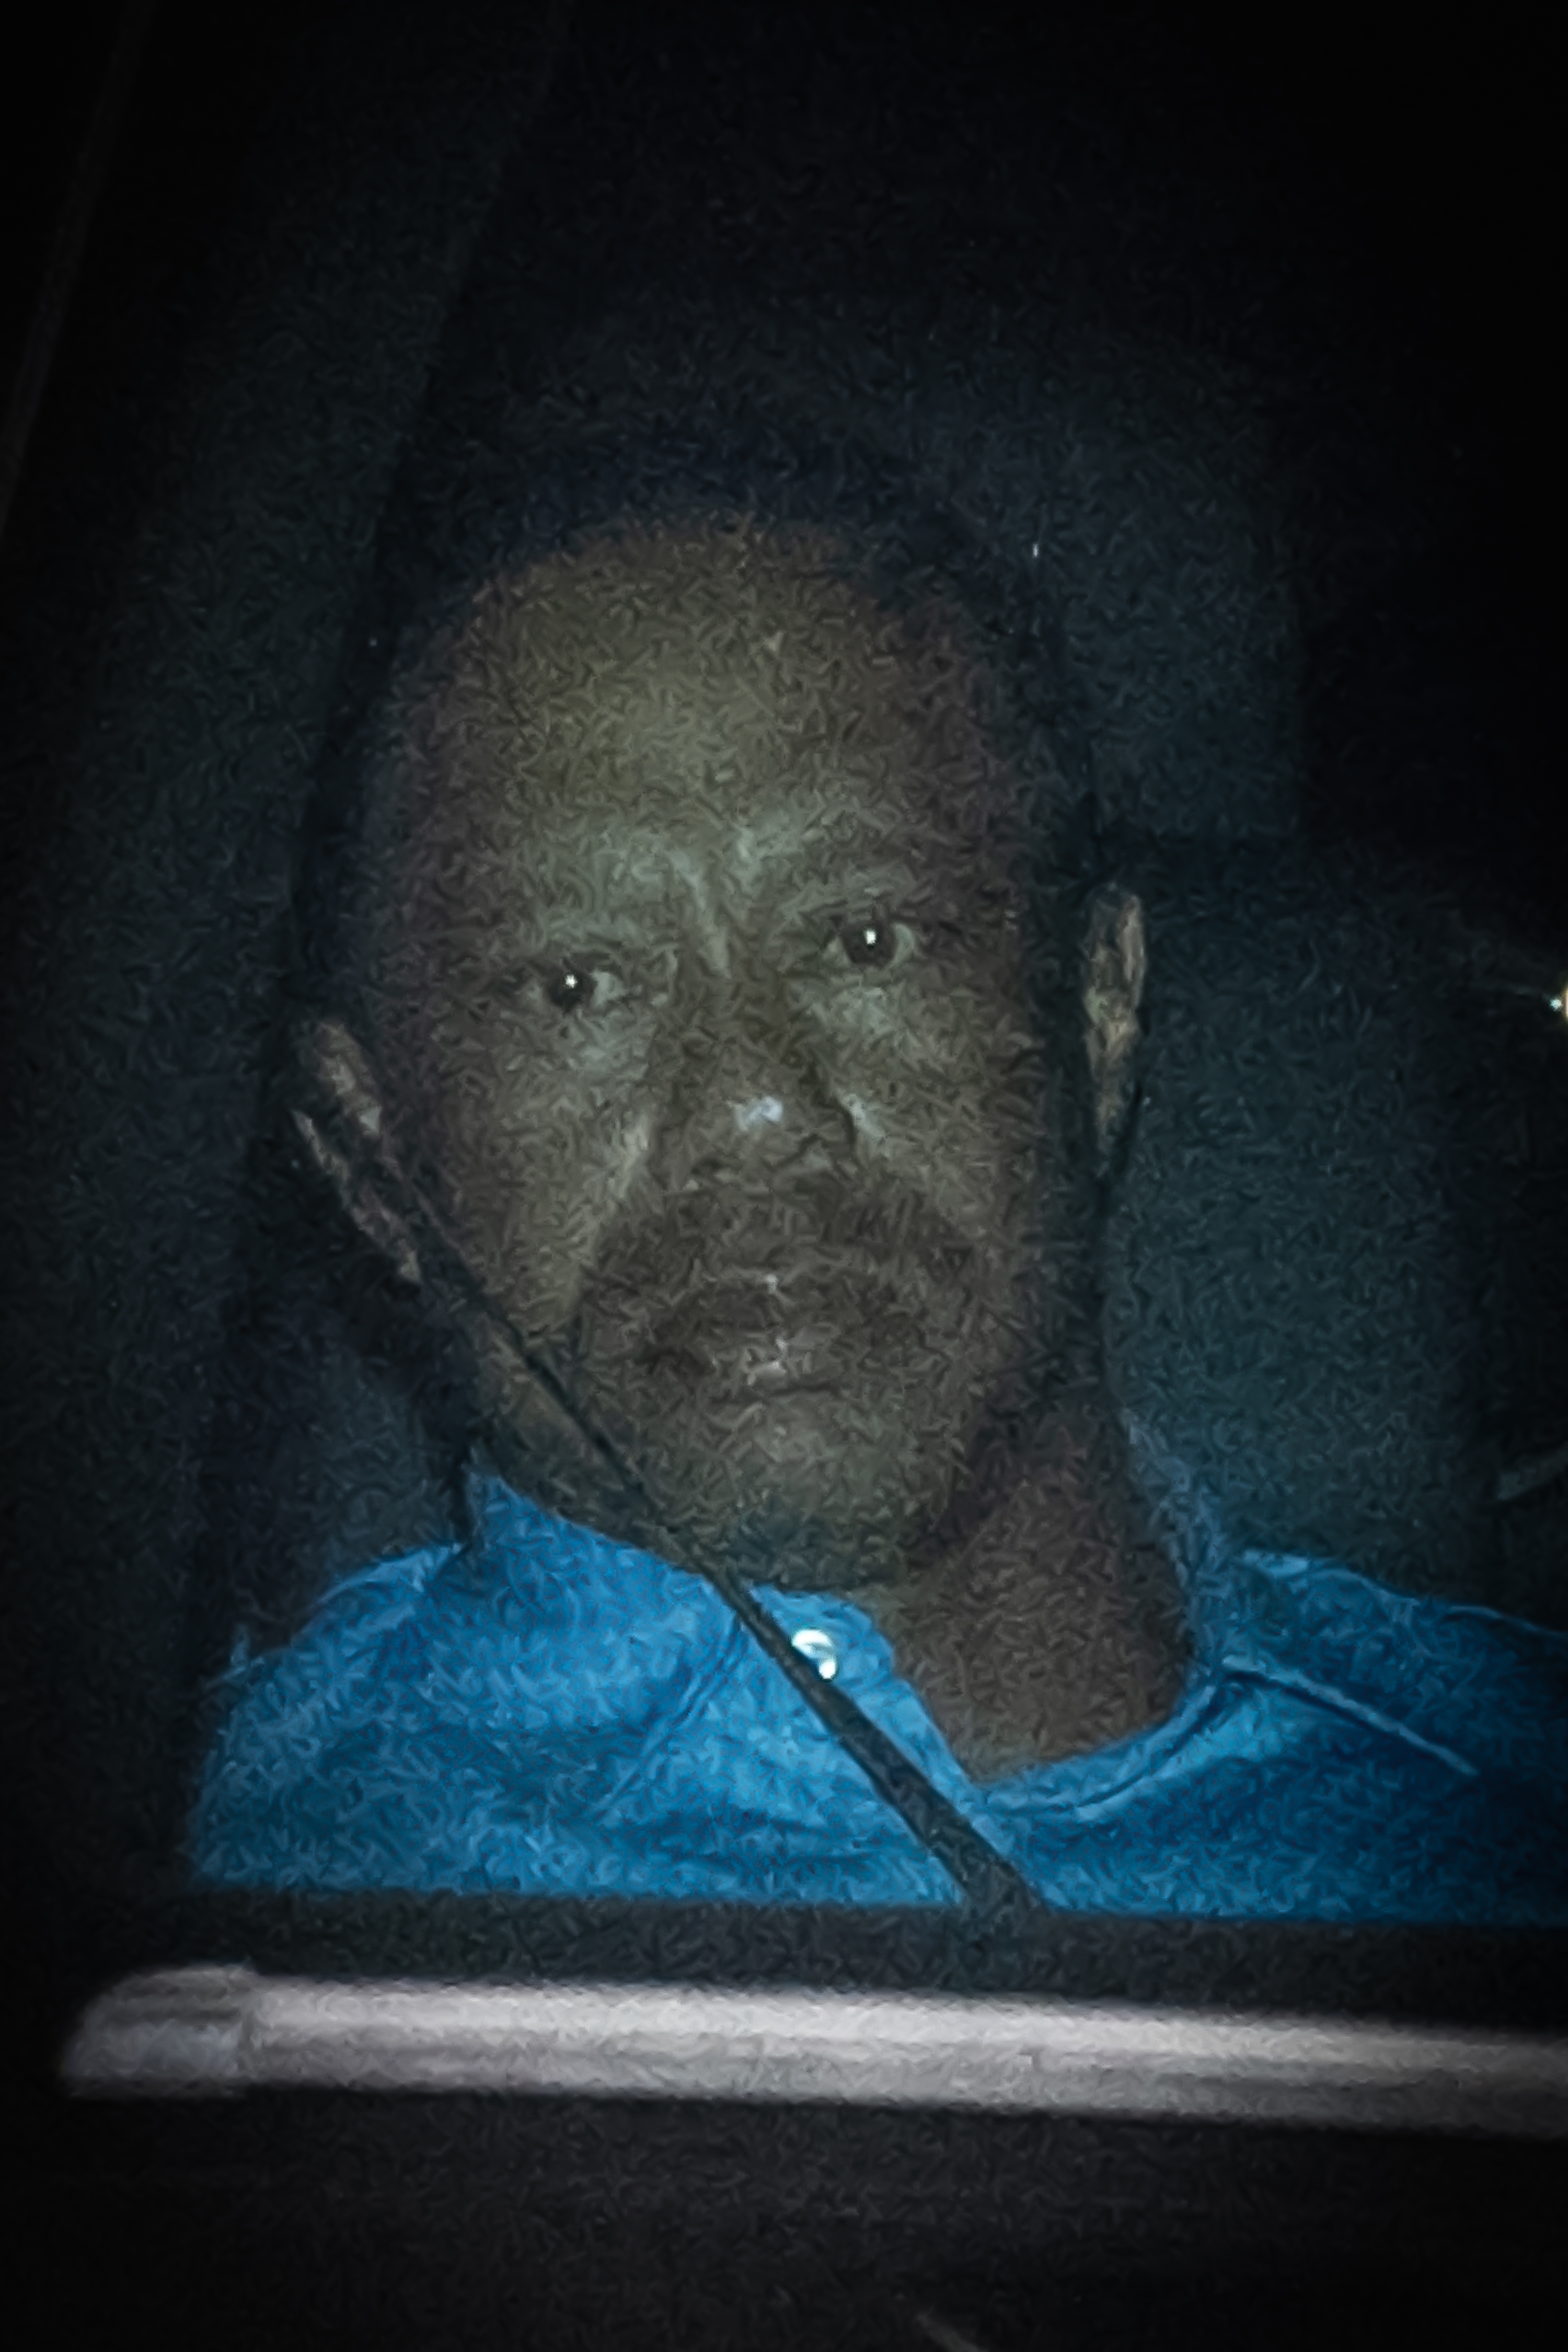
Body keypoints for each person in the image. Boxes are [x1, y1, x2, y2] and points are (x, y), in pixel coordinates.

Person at [187, 487, 1568, 1922]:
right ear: (368, 1152)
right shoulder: (221, 1883)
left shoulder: (1512, 1822)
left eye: (867, 938)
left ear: (1097, 1019)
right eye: (576, 984)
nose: (751, 1104)